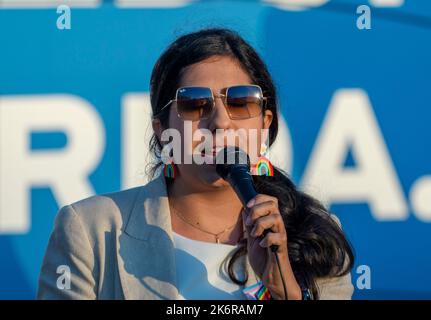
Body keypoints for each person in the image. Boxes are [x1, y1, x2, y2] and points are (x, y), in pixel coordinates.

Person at [37, 28, 354, 300]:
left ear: (264, 125)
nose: (220, 122)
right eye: (195, 105)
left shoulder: (316, 234)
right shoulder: (91, 228)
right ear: (162, 131)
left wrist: (284, 289)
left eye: (240, 102)